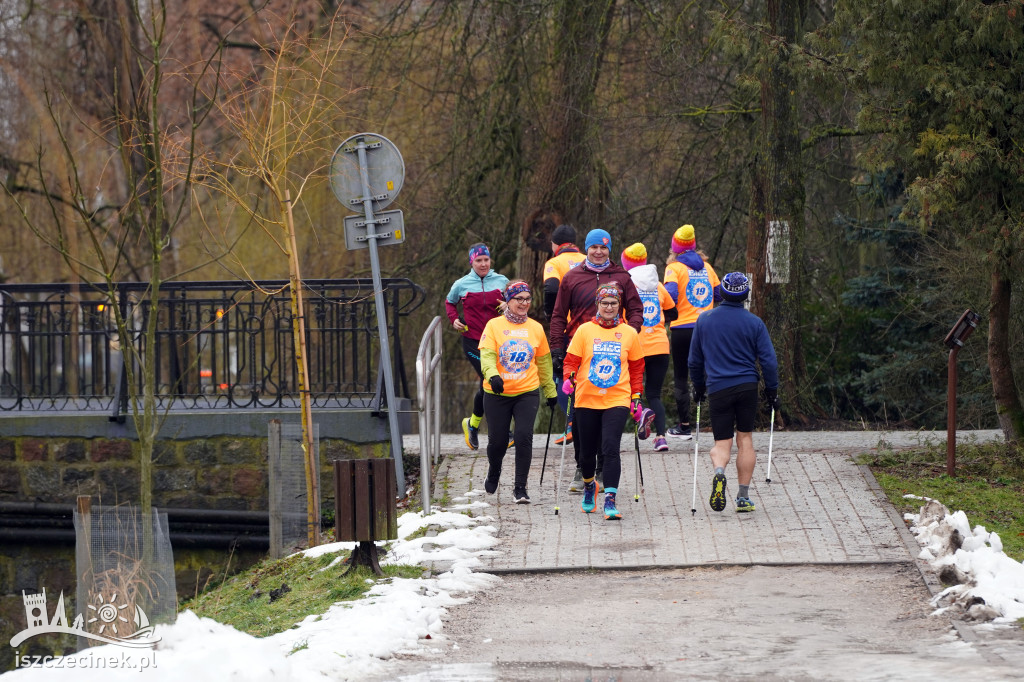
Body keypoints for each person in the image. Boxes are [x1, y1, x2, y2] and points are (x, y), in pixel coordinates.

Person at [549, 228, 644, 492]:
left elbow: (637, 309)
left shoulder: (622, 277)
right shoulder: (572, 277)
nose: (599, 252)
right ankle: (583, 467)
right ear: (586, 249)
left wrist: (630, 332)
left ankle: (604, 469)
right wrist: (557, 349)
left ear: (609, 250)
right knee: (580, 417)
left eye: (603, 248)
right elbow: (558, 315)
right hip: (580, 353)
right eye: (594, 248)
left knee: (610, 413)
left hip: (614, 353)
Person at [688, 272, 779, 513]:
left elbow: (694, 361)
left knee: (722, 441)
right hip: (747, 386)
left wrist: (698, 387)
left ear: (722, 292)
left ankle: (719, 472)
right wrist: (772, 390)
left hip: (718, 387)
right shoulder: (754, 323)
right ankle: (743, 497)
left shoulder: (704, 320)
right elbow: (769, 361)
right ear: (745, 295)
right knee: (745, 438)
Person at [562, 283, 645, 520]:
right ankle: (590, 486)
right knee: (585, 455)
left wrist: (636, 397)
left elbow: (637, 369)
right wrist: (569, 377)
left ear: (620, 305)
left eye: (614, 303)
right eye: (605, 303)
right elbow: (571, 361)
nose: (609, 307)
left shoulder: (629, 333)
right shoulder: (584, 331)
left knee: (610, 449)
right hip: (586, 398)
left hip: (617, 398)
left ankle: (610, 499)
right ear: (597, 305)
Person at [478, 280, 558, 503]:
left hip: (526, 391)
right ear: (508, 301)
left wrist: (550, 391)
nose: (524, 303)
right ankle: (494, 470)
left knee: (524, 437)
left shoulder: (535, 328)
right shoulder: (494, 325)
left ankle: (520, 488)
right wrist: (492, 375)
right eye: (518, 299)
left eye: (527, 299)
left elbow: (543, 363)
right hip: (497, 393)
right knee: (497, 442)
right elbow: (487, 355)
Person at [445, 243, 509, 450]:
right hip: (473, 340)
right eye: (478, 260)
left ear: (490, 261)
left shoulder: (501, 281)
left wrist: (508, 305)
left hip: (498, 340)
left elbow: (517, 300)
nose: (483, 264)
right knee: (489, 379)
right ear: (471, 262)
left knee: (492, 383)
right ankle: (502, 431)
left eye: (486, 260)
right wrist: (454, 319)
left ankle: (472, 424)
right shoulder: (461, 284)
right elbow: (449, 303)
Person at [663, 224, 720, 440]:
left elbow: (670, 296)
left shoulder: (673, 268)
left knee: (680, 377)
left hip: (682, 329)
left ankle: (685, 426)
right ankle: (718, 421)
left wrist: (669, 315)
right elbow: (720, 294)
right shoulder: (707, 267)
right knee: (711, 373)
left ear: (674, 248)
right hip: (707, 326)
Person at [620, 243, 678, 452]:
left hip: (636, 346)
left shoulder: (626, 286)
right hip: (661, 346)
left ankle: (642, 412)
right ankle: (661, 438)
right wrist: (658, 324)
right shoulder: (659, 286)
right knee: (655, 393)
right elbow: (673, 313)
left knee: (628, 390)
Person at [542, 224, 586, 447]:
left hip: (569, 329)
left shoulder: (554, 263)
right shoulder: (590, 259)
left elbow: (550, 288)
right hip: (592, 330)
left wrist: (552, 314)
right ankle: (584, 425)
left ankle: (571, 425)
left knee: (561, 376)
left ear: (555, 245)